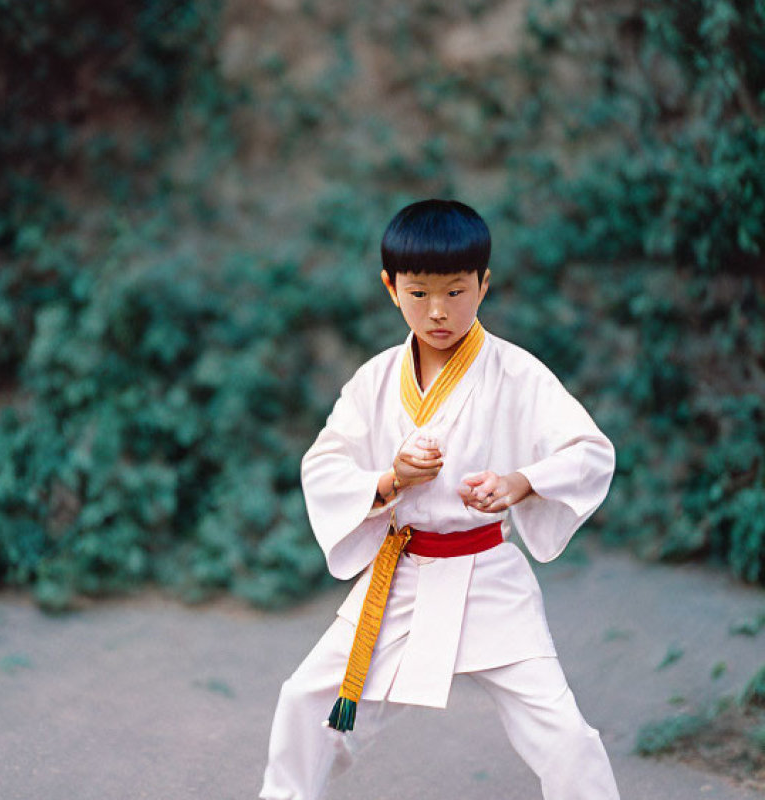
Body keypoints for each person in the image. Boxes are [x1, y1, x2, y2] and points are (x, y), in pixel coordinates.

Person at [259, 199, 620, 800]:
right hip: (399, 576)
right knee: (306, 699)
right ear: (390, 288)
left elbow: (589, 450)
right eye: (418, 292)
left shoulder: (517, 373)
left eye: (456, 291)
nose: (438, 311)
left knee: (563, 734)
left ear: (484, 283)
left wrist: (518, 483)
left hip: (488, 574)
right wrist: (390, 479)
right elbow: (323, 463)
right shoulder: (375, 378)